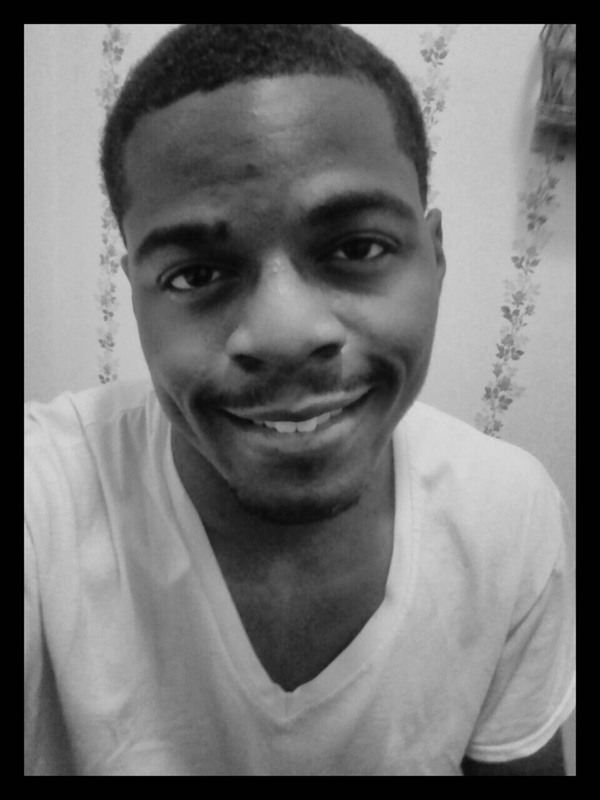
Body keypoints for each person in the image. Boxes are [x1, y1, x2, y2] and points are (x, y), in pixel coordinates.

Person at [24, 24, 575, 776]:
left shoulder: (510, 514)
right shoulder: (45, 501)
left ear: (435, 257)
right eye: (194, 275)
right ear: (136, 294)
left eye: (357, 248)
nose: (284, 335)